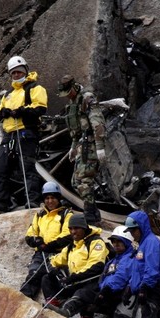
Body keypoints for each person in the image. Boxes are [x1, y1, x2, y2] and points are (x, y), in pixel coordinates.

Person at [47, 226, 135, 318]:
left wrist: (104, 292)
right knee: (87, 291)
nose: (115, 244)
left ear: (126, 242)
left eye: (119, 241)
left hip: (116, 297)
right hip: (107, 294)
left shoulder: (130, 258)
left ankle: (68, 312)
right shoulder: (114, 260)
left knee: (86, 293)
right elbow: (104, 279)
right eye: (113, 241)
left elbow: (120, 278)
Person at [0, 55, 48, 212]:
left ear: (25, 71)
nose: (16, 75)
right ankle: (0, 203)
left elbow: (40, 108)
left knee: (27, 168)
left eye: (19, 72)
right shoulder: (8, 94)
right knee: (1, 168)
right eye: (13, 73)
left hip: (25, 134)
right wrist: (5, 112)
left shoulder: (35, 88)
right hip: (9, 136)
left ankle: (32, 202)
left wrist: (21, 111)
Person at [41, 214, 109, 318]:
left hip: (92, 281)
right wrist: (53, 269)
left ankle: (73, 314)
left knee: (83, 293)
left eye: (76, 228)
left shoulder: (96, 243)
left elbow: (97, 266)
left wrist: (74, 277)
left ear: (84, 228)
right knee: (47, 278)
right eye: (71, 228)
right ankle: (54, 302)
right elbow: (56, 260)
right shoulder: (72, 246)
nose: (73, 231)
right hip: (74, 281)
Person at [57, 75, 107, 225]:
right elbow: (76, 129)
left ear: (73, 87)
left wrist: (100, 147)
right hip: (81, 145)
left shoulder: (87, 98)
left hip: (91, 144)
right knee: (75, 181)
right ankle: (94, 211)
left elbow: (97, 122)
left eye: (68, 92)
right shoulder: (72, 103)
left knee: (85, 180)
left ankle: (90, 215)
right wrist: (73, 147)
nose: (67, 96)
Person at [20, 182, 73, 299]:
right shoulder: (40, 215)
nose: (50, 201)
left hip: (59, 253)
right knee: (34, 272)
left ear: (58, 198)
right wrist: (36, 241)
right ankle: (24, 298)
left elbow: (68, 235)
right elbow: (30, 233)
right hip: (41, 253)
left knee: (52, 275)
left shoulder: (66, 214)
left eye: (53, 197)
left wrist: (49, 245)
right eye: (47, 198)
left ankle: (55, 300)